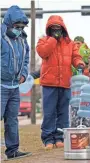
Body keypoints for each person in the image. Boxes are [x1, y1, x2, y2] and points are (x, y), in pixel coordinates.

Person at [36, 15, 85, 150]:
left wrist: (79, 63)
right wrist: (52, 40)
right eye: (53, 28)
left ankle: (60, 137)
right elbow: (43, 53)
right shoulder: (43, 41)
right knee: (49, 112)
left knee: (63, 112)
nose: (56, 30)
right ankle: (48, 139)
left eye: (58, 28)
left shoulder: (70, 43)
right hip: (49, 83)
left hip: (65, 83)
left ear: (63, 28)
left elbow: (76, 56)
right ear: (49, 29)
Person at [1, 5, 31, 160]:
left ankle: (12, 150)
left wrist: (24, 75)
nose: (19, 29)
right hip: (0, 86)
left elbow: (26, 59)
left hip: (14, 87)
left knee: (12, 120)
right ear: (8, 24)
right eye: (17, 27)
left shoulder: (22, 39)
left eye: (22, 27)